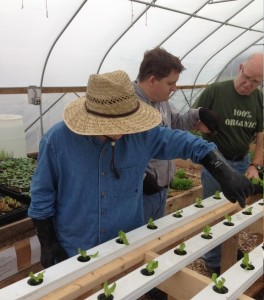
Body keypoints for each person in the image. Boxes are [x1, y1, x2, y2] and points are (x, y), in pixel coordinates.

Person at [28, 70, 254, 270]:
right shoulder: (57, 141)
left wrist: (224, 172)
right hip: (77, 246)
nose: (122, 132)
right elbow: (42, 195)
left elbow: (190, 144)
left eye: (127, 123)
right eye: (112, 126)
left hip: (128, 241)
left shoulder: (142, 135)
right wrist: (48, 243)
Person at [193, 52, 263, 275]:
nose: (249, 84)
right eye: (247, 77)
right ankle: (213, 262)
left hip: (242, 162)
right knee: (213, 214)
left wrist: (255, 165)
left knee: (234, 212)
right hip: (216, 164)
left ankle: (229, 253)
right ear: (240, 68)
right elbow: (191, 119)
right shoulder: (216, 91)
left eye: (256, 82)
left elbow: (262, 136)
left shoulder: (259, 99)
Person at [133, 47, 221, 223]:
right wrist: (139, 178)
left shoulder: (160, 101)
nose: (175, 88)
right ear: (152, 80)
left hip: (160, 188)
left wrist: (199, 114)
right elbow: (119, 150)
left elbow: (176, 124)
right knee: (136, 241)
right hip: (140, 193)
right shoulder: (131, 106)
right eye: (170, 83)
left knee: (153, 237)